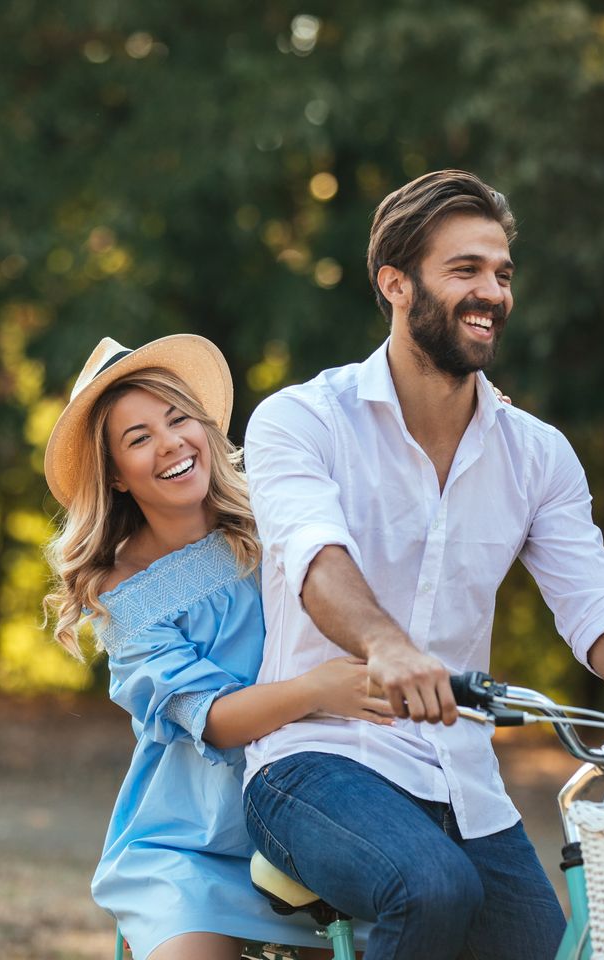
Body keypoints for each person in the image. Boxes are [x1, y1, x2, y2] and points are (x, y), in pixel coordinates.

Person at [241, 169, 604, 960]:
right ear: (395, 284)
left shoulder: (537, 455)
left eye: (501, 273)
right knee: (431, 890)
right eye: (465, 270)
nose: (491, 291)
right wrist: (386, 646)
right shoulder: (302, 419)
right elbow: (316, 558)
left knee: (560, 948)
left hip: (462, 781)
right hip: (314, 761)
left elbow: (601, 612)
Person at [41, 334, 392, 960]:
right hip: (191, 841)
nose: (171, 443)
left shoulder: (275, 518)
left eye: (179, 420)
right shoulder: (126, 593)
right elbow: (213, 718)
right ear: (116, 475)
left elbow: (380, 500)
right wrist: (319, 690)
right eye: (139, 437)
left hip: (308, 817)